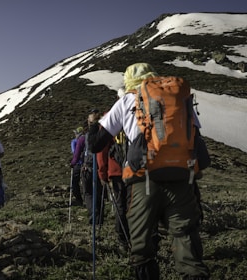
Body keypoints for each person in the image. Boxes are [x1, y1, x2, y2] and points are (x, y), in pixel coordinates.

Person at [87, 63, 210, 279]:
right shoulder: (178, 100)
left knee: (142, 247)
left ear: (128, 82)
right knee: (186, 240)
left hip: (143, 180)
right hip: (182, 178)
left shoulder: (127, 100)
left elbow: (96, 144)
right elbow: (197, 142)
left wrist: (91, 126)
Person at [96, 128, 130, 256]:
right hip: (134, 168)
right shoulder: (136, 114)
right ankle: (136, 237)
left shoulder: (111, 121)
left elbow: (102, 150)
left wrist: (102, 173)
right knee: (134, 204)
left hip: (116, 171)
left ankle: (123, 239)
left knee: (120, 205)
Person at [80, 109, 104, 225]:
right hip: (99, 166)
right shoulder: (104, 132)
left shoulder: (87, 135)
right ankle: (99, 216)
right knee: (98, 192)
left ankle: (93, 215)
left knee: (88, 192)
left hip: (89, 165)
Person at [69, 126, 84, 205]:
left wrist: (73, 162)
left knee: (75, 182)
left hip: (78, 164)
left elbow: (75, 153)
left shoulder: (74, 142)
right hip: (86, 163)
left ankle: (79, 199)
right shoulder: (87, 140)